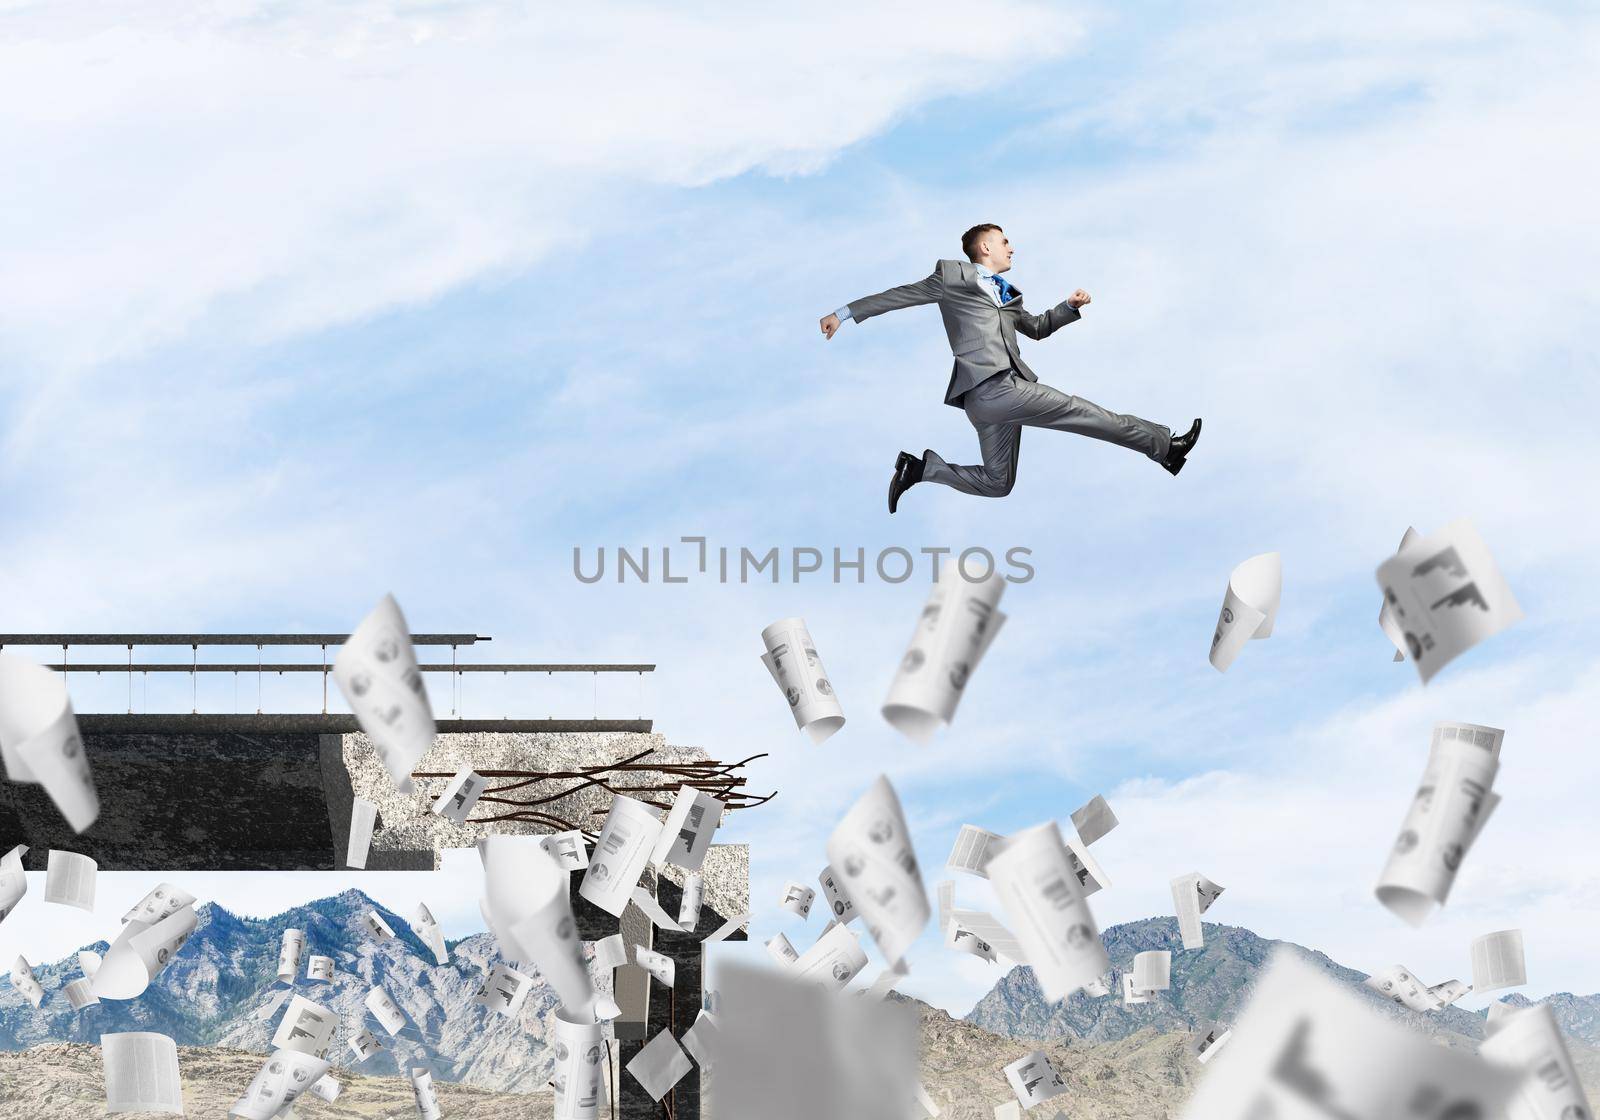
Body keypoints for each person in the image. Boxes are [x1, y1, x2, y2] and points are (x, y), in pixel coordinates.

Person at [820, 223, 1201, 512]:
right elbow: (898, 296)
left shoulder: (1005, 292)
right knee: (1082, 412)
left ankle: (920, 471)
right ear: (985, 247)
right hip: (993, 386)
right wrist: (843, 314)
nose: (1011, 247)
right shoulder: (951, 278)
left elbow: (1035, 328)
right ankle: (1165, 446)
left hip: (993, 400)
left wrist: (1068, 307)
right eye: (1004, 242)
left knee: (998, 482)